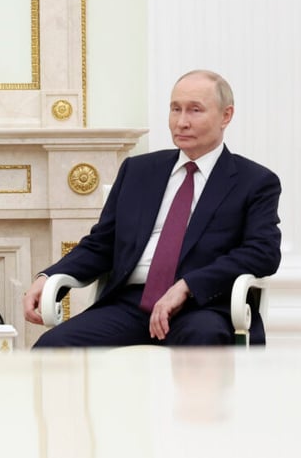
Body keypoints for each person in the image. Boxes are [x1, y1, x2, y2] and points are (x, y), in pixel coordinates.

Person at [23, 70, 281, 347]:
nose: (181, 122)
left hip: (202, 305)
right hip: (131, 304)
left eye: (195, 110)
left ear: (226, 116)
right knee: (52, 347)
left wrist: (187, 286)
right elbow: (101, 244)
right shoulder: (138, 171)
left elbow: (262, 253)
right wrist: (48, 277)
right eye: (175, 109)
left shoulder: (254, 181)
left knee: (204, 341)